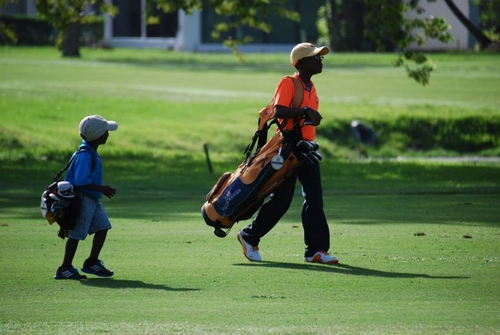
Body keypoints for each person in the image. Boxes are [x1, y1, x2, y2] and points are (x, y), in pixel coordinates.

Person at [237, 42, 339, 264]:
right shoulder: (289, 82)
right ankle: (248, 235)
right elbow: (279, 111)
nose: (320, 60)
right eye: (315, 57)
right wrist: (305, 111)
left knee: (314, 199)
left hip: (306, 149)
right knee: (281, 201)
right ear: (301, 62)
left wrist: (309, 116)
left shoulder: (311, 87)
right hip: (287, 149)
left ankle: (316, 251)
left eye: (320, 56)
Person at [54, 115, 118, 279]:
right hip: (82, 199)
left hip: (92, 198)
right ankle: (65, 268)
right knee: (76, 234)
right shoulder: (85, 155)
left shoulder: (90, 151)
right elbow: (82, 181)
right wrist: (102, 188)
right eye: (106, 132)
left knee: (103, 227)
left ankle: (92, 262)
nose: (107, 134)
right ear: (100, 136)